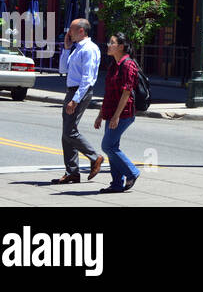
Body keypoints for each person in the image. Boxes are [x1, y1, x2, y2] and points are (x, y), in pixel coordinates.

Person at [53, 18, 103, 185]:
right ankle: (72, 172)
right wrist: (66, 49)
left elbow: (87, 78)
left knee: (70, 131)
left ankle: (95, 157)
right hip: (71, 90)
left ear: (81, 31)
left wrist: (75, 100)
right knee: (66, 133)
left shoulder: (89, 49)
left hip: (80, 92)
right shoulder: (76, 48)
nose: (69, 33)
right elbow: (62, 70)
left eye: (72, 30)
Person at [94, 32, 141, 192]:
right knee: (112, 147)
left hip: (124, 114)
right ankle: (116, 184)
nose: (108, 45)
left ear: (121, 46)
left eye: (112, 42)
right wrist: (101, 115)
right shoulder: (113, 65)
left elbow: (126, 92)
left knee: (107, 146)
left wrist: (116, 116)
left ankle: (132, 172)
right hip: (111, 112)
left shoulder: (128, 65)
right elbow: (108, 94)